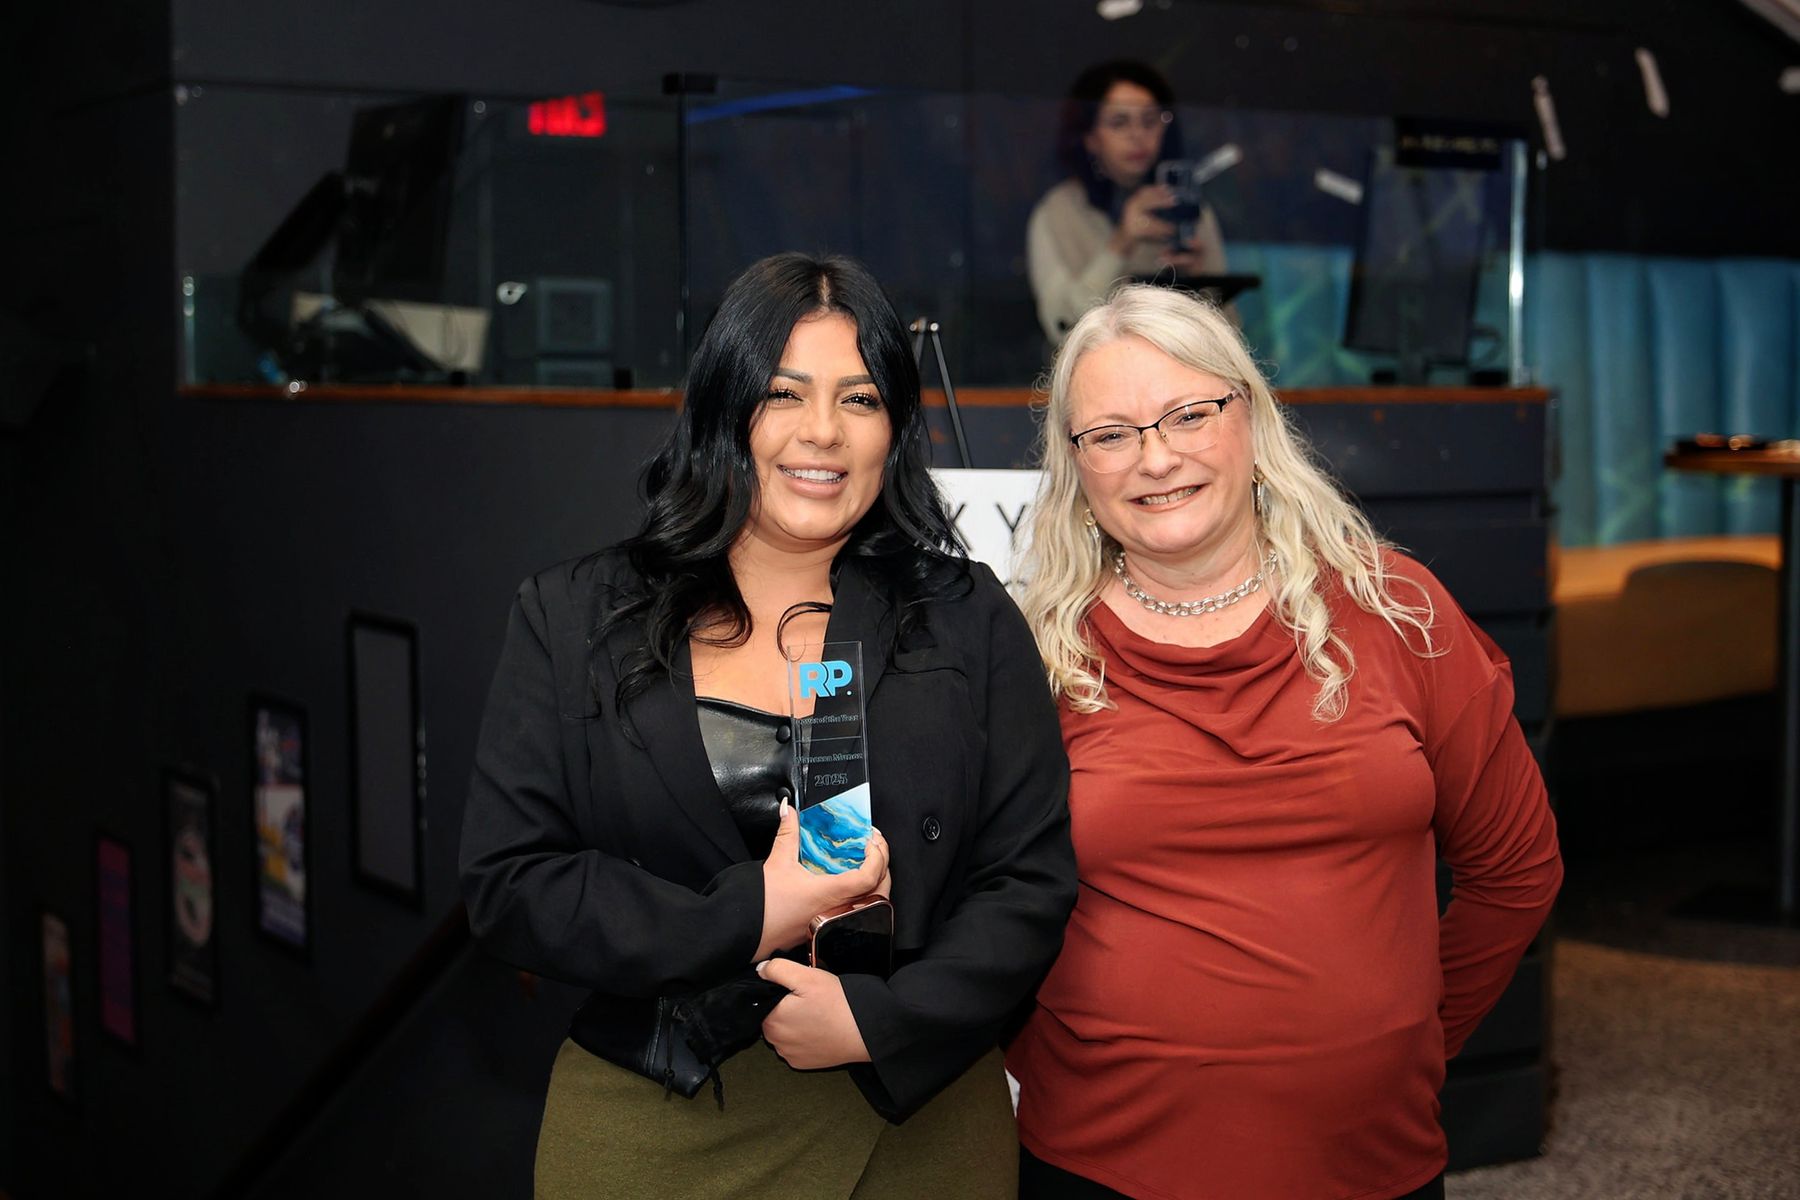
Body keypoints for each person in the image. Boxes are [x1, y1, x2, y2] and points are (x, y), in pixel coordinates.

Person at [459, 252, 1077, 1199]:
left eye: (860, 398)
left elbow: (1029, 878)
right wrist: (759, 910)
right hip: (659, 1121)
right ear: (724, 406)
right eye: (783, 393)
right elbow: (513, 884)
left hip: (917, 1121)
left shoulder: (967, 615)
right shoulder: (575, 617)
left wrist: (885, 1023)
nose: (822, 431)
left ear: (895, 427)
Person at [1005, 284, 1562, 1200]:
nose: (1156, 457)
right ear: (1075, 466)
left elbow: (1517, 869)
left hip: (1372, 1163)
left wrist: (1406, 1044)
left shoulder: (1398, 611)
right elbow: (982, 910)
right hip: (1103, 1166)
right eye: (1110, 434)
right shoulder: (1034, 657)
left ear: (1252, 419)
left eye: (1189, 414)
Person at [1027, 60, 1229, 344]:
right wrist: (1121, 243)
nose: (1137, 135)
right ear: (1090, 138)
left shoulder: (1186, 207)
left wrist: (1199, 277)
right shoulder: (1057, 213)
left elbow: (1230, 334)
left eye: (1149, 121)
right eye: (1119, 122)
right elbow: (1061, 327)